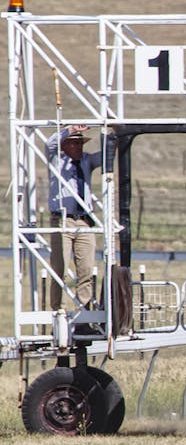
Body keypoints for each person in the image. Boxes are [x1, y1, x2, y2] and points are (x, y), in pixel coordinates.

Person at [45, 125, 103, 311]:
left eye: (80, 143)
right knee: (59, 270)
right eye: (74, 143)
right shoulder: (56, 161)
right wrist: (68, 130)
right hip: (63, 220)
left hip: (84, 221)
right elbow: (49, 144)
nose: (79, 147)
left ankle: (83, 313)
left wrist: (113, 134)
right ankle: (58, 311)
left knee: (86, 270)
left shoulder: (86, 161)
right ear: (65, 145)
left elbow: (106, 156)